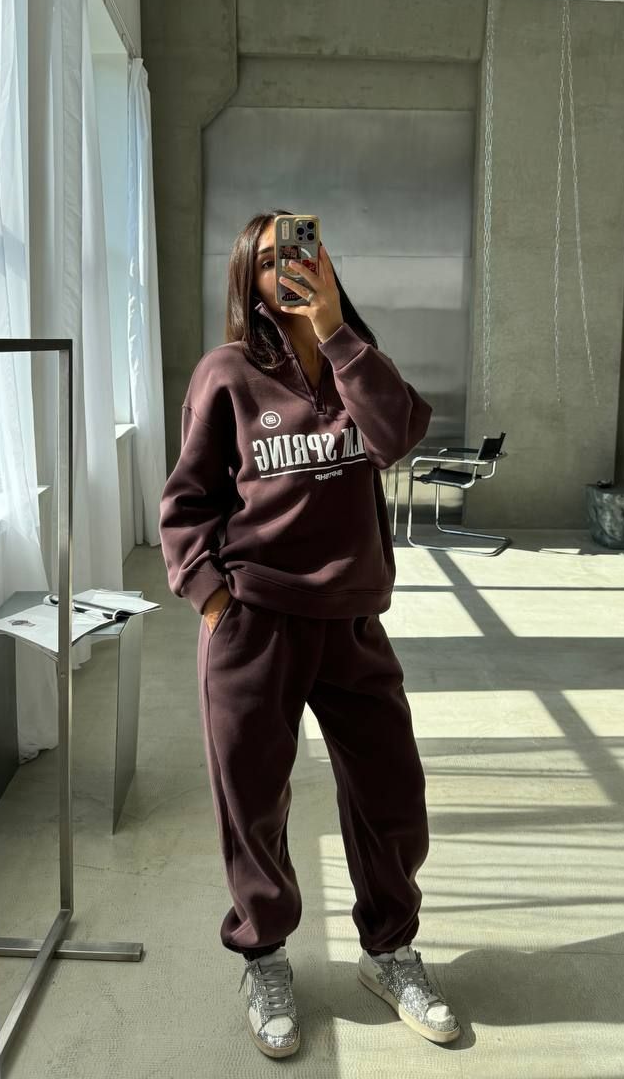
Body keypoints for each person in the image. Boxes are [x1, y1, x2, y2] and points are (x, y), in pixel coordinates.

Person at [158, 210, 461, 1058]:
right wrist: (213, 599)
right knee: (253, 802)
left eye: (298, 254)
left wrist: (334, 332)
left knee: (391, 794)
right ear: (247, 282)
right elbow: (187, 501)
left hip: (352, 621)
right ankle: (264, 957)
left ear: (323, 264)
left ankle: (389, 952)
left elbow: (398, 437)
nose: (284, 270)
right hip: (255, 622)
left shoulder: (356, 361)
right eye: (266, 262)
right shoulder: (225, 373)